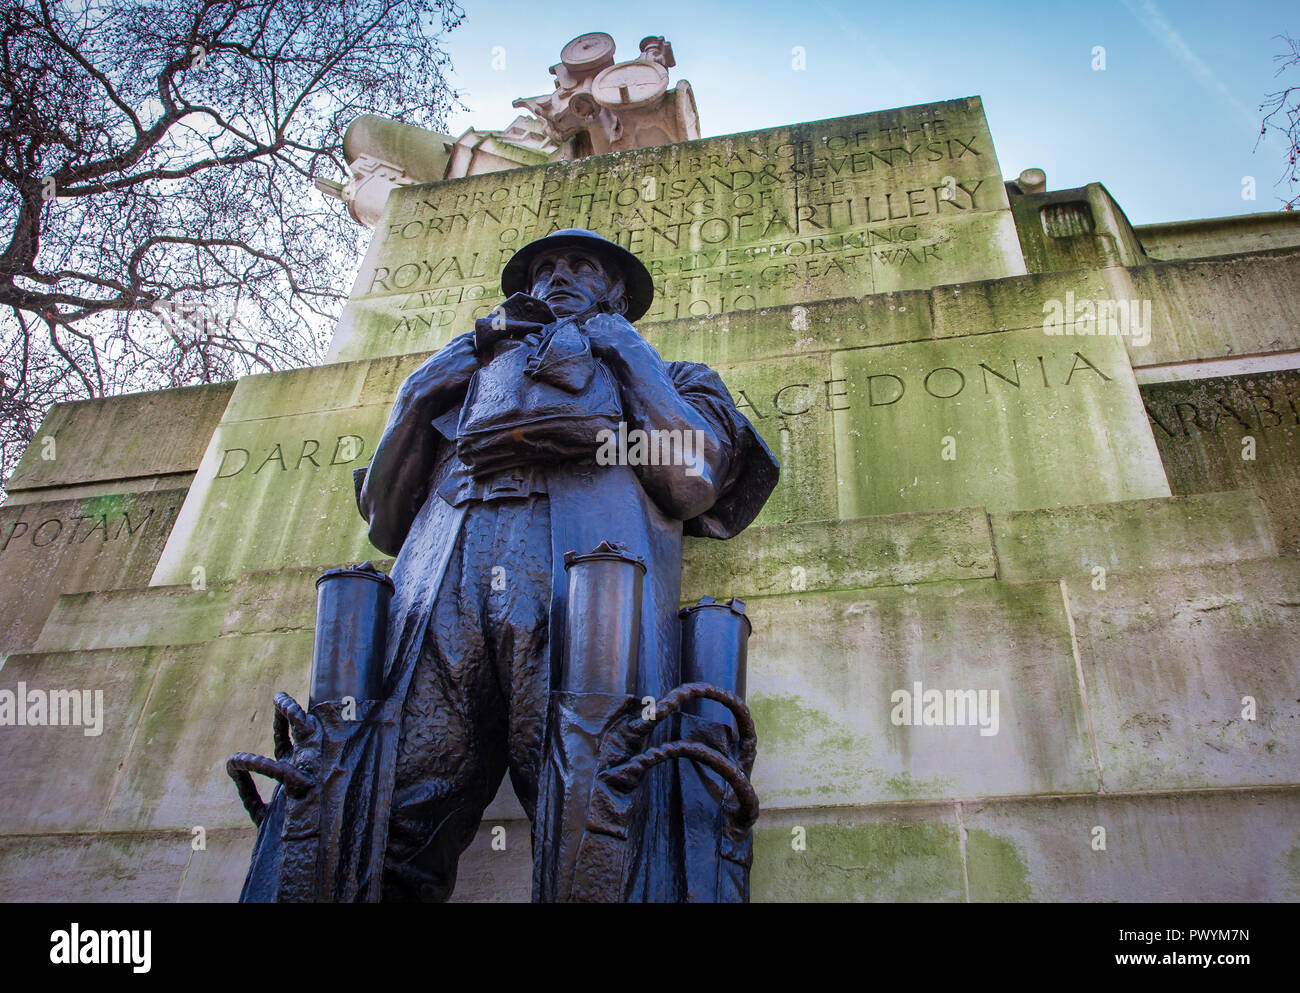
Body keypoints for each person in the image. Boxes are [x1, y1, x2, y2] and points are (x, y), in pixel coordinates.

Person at [356, 228, 777, 901]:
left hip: (586, 588)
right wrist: (417, 393)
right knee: (387, 817)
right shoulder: (469, 390)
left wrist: (625, 351)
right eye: (544, 268)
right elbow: (384, 521)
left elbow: (691, 479)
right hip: (442, 594)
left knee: (593, 813)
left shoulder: (674, 380)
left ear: (616, 293)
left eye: (581, 266)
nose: (556, 276)